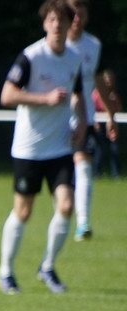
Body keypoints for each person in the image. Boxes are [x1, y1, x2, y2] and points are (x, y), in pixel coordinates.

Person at [0, 0, 86, 296]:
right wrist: (44, 99)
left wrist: (82, 122)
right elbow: (7, 95)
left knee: (67, 206)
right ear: (45, 23)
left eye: (62, 20)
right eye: (52, 19)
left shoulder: (74, 58)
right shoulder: (31, 57)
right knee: (23, 212)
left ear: (71, 23)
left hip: (60, 147)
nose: (57, 25)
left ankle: (47, 266)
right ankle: (5, 272)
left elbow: (77, 94)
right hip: (29, 149)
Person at [66, 0, 118, 241]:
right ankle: (62, 214)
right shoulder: (52, 44)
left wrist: (110, 115)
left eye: (82, 10)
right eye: (73, 10)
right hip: (54, 120)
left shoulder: (93, 46)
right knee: (58, 173)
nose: (77, 16)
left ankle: (83, 222)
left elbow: (99, 82)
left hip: (83, 118)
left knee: (83, 166)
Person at [92, 69, 121, 180]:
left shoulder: (114, 94)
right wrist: (95, 122)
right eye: (106, 80)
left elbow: (119, 110)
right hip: (100, 124)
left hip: (111, 124)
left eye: (110, 80)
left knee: (114, 149)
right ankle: (96, 174)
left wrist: (114, 102)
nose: (108, 82)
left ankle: (116, 175)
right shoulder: (95, 94)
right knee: (99, 149)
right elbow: (92, 109)